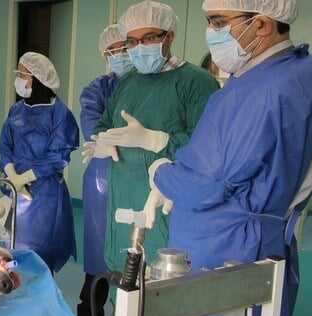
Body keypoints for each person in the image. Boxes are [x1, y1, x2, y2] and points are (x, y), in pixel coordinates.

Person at [144, 0, 312, 316]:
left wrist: (161, 171)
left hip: (227, 245)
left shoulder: (262, 91)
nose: (212, 32)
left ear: (261, 25)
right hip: (249, 238)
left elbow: (207, 184)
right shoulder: (294, 74)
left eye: (219, 21)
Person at [83, 0, 219, 275]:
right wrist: (103, 142)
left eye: (149, 38)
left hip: (167, 202)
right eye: (131, 41)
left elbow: (208, 148)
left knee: (162, 284)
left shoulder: (197, 82)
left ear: (169, 36)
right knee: (123, 275)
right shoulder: (129, 82)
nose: (139, 47)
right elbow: (103, 123)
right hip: (123, 194)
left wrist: (157, 140)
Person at [0, 51, 79, 273]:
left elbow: (58, 155)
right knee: (12, 245)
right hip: (14, 188)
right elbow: (5, 145)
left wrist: (25, 178)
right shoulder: (17, 109)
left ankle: (39, 288)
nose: (18, 79)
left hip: (45, 193)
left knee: (39, 248)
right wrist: (12, 175)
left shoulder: (59, 113)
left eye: (22, 74)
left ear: (37, 78)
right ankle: (14, 282)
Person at [76, 24, 133, 316]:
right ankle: (90, 313)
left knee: (136, 253)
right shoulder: (98, 89)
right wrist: (108, 140)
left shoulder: (153, 85)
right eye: (112, 52)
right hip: (104, 179)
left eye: (124, 47)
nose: (119, 55)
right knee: (100, 251)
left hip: (140, 180)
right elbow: (93, 129)